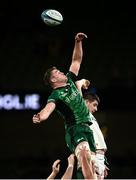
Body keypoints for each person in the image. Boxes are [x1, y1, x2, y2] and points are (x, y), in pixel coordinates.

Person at [32, 32, 97, 179]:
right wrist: (40, 116)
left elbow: (76, 60)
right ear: (54, 79)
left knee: (89, 166)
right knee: (85, 154)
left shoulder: (69, 80)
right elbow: (48, 110)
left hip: (87, 128)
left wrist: (77, 41)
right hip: (75, 130)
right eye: (57, 72)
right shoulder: (55, 96)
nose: (61, 71)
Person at [76, 79, 109, 179]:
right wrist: (80, 84)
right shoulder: (83, 114)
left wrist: (103, 160)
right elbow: (78, 101)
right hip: (92, 155)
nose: (96, 109)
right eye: (94, 105)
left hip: (99, 156)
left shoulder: (91, 117)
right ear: (86, 102)